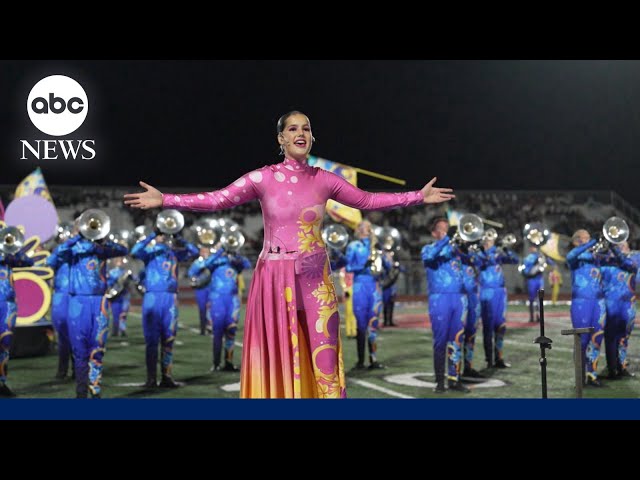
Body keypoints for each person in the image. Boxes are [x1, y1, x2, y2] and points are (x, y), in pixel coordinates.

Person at [124, 110, 454, 399]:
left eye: (306, 128)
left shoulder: (325, 179)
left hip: (314, 276)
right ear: (281, 138)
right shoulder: (263, 178)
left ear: (313, 137)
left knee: (324, 354)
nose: (301, 133)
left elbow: (367, 201)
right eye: (293, 129)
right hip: (274, 276)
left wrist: (417, 197)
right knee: (279, 355)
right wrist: (167, 200)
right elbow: (217, 199)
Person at [55, 229, 128, 398]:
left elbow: (123, 250)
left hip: (99, 303)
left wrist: (102, 240)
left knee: (97, 349)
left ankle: (95, 392)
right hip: (78, 303)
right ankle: (81, 394)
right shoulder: (73, 249)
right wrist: (77, 238)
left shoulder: (102, 249)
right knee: (80, 351)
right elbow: (59, 253)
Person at [131, 228, 198, 389]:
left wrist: (178, 237)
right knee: (152, 341)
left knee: (169, 339)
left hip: (170, 298)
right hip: (152, 297)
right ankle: (151, 379)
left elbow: (194, 252)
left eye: (165, 234)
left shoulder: (175, 253)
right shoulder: (149, 252)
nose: (164, 236)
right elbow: (135, 251)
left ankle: (167, 377)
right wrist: (153, 235)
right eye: (162, 233)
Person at [421, 217, 469, 393]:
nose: (447, 232)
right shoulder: (428, 249)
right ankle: (440, 381)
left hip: (458, 298)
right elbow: (429, 258)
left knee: (457, 339)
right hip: (439, 298)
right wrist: (446, 240)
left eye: (448, 229)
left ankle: (454, 379)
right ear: (434, 233)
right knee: (440, 341)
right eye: (442, 229)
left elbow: (473, 258)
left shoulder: (456, 250)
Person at [193, 247, 251, 371]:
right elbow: (206, 264)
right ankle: (216, 363)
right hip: (217, 299)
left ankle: (229, 362)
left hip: (232, 300)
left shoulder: (235, 262)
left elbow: (247, 264)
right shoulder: (216, 261)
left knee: (231, 331)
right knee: (217, 332)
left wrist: (235, 253)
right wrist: (220, 251)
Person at [566, 229, 606, 387]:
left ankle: (592, 374)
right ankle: (579, 376)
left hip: (599, 301)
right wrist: (592, 242)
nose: (589, 241)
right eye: (585, 238)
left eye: (590, 238)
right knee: (582, 340)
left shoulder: (596, 257)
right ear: (577, 241)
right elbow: (570, 256)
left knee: (597, 338)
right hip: (581, 302)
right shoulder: (576, 257)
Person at [345, 220, 387, 370]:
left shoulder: (375, 246)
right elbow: (349, 266)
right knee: (361, 325)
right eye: (364, 227)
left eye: (369, 227)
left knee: (373, 323)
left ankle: (373, 360)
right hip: (360, 286)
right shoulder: (353, 246)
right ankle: (360, 361)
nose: (367, 229)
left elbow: (384, 268)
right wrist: (364, 265)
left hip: (374, 287)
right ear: (358, 230)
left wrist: (386, 258)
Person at [476, 232, 519, 369]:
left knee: (501, 326)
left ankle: (499, 358)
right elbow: (484, 261)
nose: (490, 241)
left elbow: (515, 260)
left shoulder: (499, 254)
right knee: (488, 327)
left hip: (500, 292)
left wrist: (505, 248)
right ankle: (489, 359)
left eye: (492, 239)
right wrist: (493, 249)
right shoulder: (479, 253)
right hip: (487, 292)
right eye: (488, 239)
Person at [599, 241, 640, 379]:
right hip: (610, 303)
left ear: (629, 247)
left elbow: (630, 265)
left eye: (623, 245)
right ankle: (612, 370)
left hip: (628, 304)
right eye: (618, 245)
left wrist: (614, 250)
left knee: (624, 337)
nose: (621, 247)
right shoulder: (606, 260)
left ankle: (621, 366)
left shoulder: (634, 258)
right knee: (610, 338)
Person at [0, 244, 34, 397]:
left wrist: (11, 249)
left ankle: (1, 383)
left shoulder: (7, 252)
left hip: (7, 304)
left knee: (5, 343)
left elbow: (28, 262)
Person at [46, 232, 76, 380]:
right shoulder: (60, 253)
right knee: (63, 336)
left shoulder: (79, 252)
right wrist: (65, 245)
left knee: (77, 335)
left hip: (76, 296)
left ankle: (78, 369)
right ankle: (62, 370)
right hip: (60, 296)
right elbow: (49, 262)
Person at [519, 245, 555, 322]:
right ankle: (532, 317)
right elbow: (525, 270)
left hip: (539, 279)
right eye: (532, 247)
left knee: (540, 298)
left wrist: (546, 257)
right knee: (531, 299)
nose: (533, 249)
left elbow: (552, 264)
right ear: (530, 248)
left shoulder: (541, 256)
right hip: (531, 280)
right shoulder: (527, 258)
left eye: (534, 247)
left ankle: (539, 316)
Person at [188, 247, 214, 335]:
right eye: (203, 251)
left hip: (211, 288)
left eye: (207, 251)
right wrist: (200, 268)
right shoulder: (197, 262)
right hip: (200, 288)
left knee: (211, 307)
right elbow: (190, 273)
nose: (205, 253)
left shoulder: (212, 260)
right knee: (202, 309)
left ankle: (210, 326)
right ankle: (203, 328)